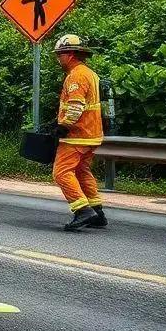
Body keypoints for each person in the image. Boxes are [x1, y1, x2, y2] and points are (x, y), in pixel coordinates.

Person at [51, 34, 107, 231]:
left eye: (60, 55)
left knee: (61, 172)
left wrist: (64, 126)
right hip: (92, 134)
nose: (58, 59)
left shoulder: (76, 75)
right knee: (82, 172)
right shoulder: (90, 73)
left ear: (71, 54)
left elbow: (76, 106)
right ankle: (97, 212)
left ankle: (83, 211)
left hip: (77, 135)